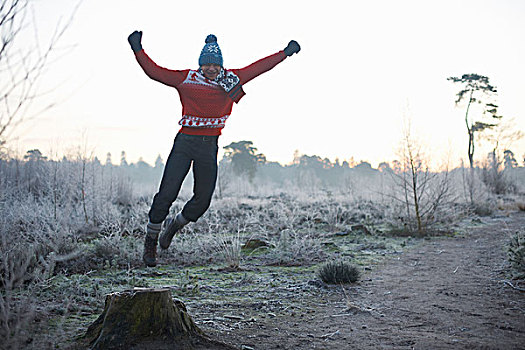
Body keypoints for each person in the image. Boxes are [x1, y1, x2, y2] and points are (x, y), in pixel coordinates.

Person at [127, 31, 300, 267]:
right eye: (206, 64)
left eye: (214, 65)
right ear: (200, 64)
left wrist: (285, 53)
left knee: (203, 200)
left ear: (221, 66)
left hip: (209, 146)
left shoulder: (232, 80)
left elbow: (259, 67)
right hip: (185, 142)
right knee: (166, 194)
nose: (210, 69)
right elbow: (155, 72)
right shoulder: (186, 79)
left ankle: (174, 226)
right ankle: (151, 242)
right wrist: (137, 48)